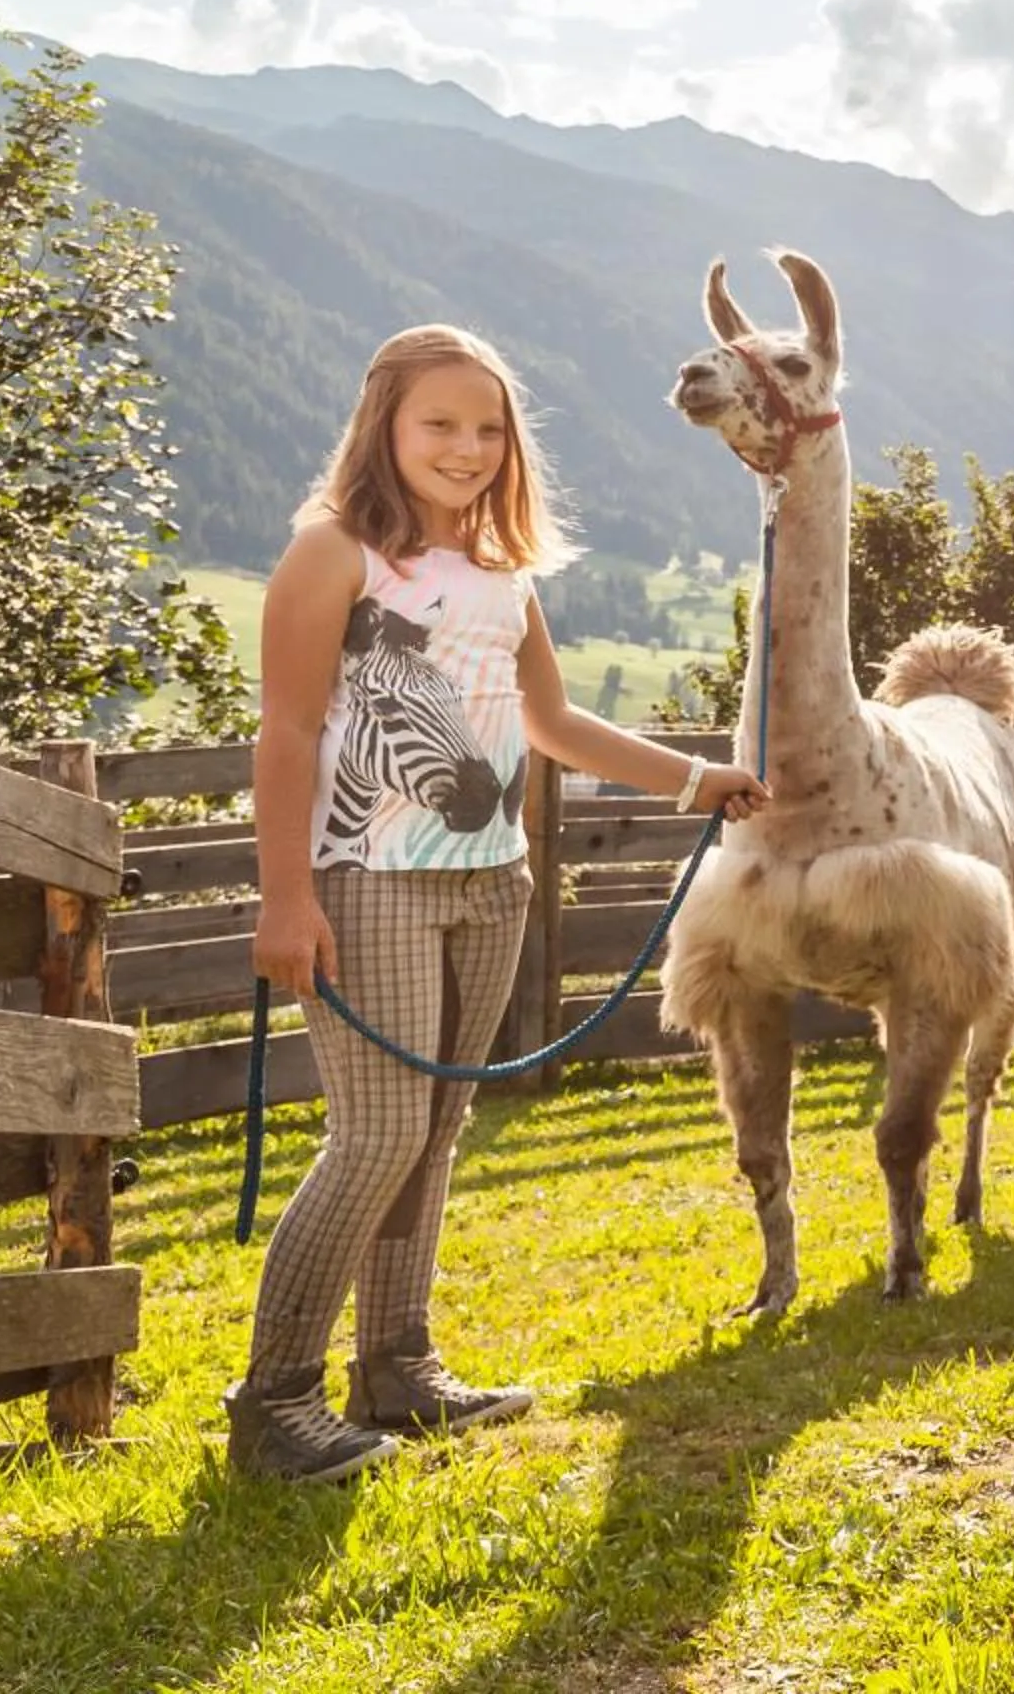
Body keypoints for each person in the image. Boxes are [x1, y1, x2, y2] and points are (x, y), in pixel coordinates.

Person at [229, 325, 769, 1483]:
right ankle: (274, 1401)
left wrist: (693, 778)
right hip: (368, 877)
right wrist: (284, 898)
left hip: (492, 880)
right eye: (440, 423)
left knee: (434, 1127)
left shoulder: (500, 569)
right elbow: (286, 731)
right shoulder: (332, 554)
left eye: (488, 428)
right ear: (383, 424)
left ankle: (397, 1367)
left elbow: (552, 723)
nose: (467, 447)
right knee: (376, 1134)